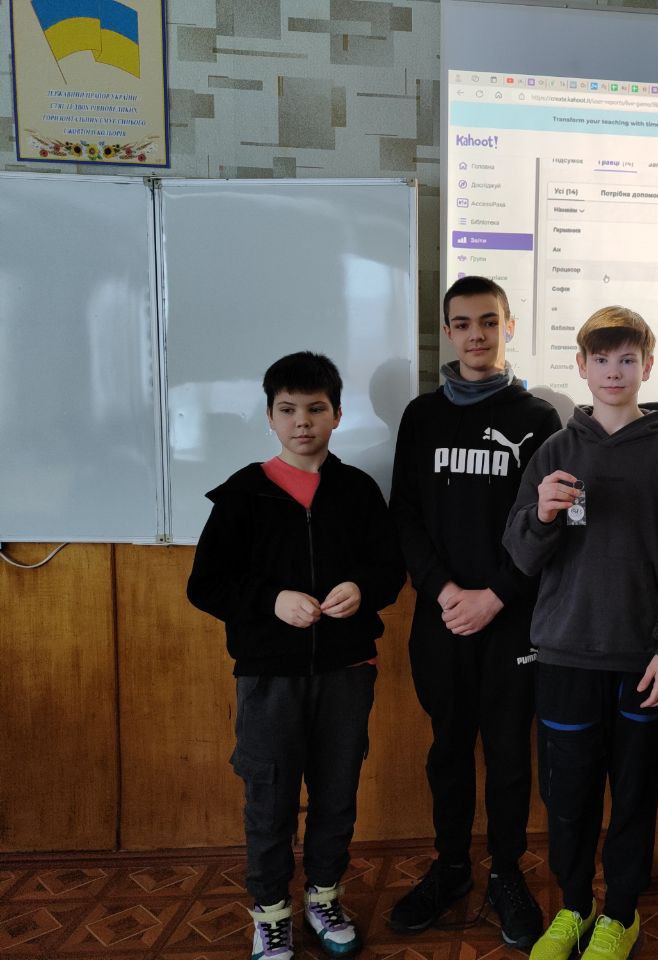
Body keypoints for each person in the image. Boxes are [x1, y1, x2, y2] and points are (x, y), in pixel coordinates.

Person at [503, 305, 658, 960]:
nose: (614, 371)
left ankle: (620, 912)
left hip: (647, 662)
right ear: (581, 367)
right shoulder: (555, 451)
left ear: (648, 366)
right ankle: (573, 906)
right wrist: (542, 515)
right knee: (568, 797)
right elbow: (521, 557)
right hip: (565, 655)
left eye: (627, 359)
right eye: (601, 359)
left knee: (635, 795)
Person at [187, 351, 405, 960]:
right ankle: (271, 913)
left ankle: (324, 896)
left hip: (346, 672)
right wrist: (271, 600)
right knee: (270, 796)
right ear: (269, 417)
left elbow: (389, 570)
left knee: (337, 792)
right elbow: (206, 585)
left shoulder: (358, 491)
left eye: (315, 408)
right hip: (269, 677)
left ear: (337, 414)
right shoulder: (242, 494)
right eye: (287, 410)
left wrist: (362, 588)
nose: (302, 421)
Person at [387, 276, 561, 947]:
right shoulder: (421, 417)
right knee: (449, 750)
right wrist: (443, 591)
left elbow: (546, 526)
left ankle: (506, 873)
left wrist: (496, 595)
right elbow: (404, 514)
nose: (476, 335)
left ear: (508, 326)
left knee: (511, 755)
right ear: (447, 333)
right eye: (462, 324)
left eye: (489, 321)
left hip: (511, 619)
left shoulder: (538, 419)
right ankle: (453, 867)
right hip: (441, 618)